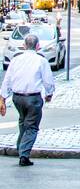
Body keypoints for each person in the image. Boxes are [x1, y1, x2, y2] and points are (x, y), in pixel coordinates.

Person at [0, 33, 55, 165]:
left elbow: (7, 80)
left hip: (17, 98)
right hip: (33, 98)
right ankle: (24, 155)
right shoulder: (41, 60)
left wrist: (2, 98)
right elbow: (48, 81)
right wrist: (49, 94)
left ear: (24, 46)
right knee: (32, 126)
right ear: (38, 46)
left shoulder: (15, 60)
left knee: (23, 121)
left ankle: (20, 147)